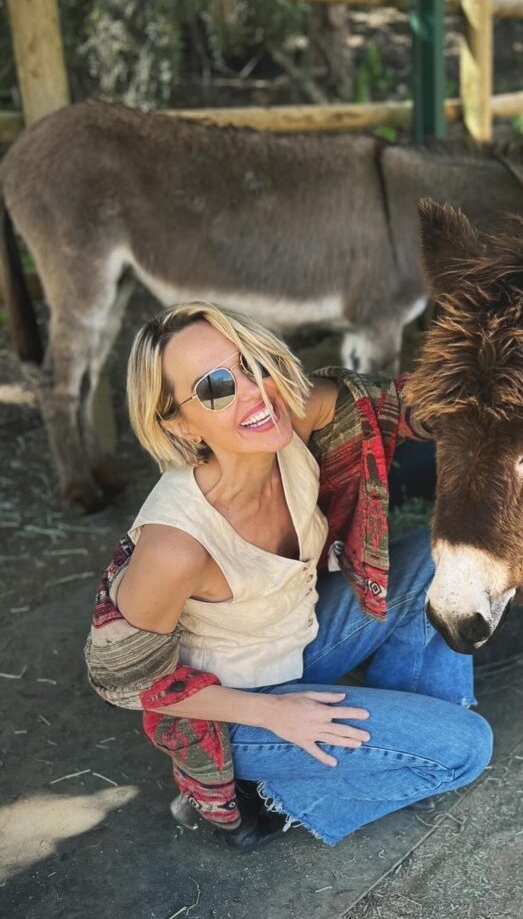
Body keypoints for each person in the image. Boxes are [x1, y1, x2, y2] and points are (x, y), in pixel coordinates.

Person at [85, 302, 493, 851]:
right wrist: (274, 713)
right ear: (177, 422)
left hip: (301, 642)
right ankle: (262, 795)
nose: (254, 391)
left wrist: (506, 394)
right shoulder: (175, 546)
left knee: (448, 557)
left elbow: (399, 404)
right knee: (467, 750)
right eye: (215, 387)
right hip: (239, 708)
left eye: (255, 361)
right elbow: (126, 680)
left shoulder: (291, 421)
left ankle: (398, 732)